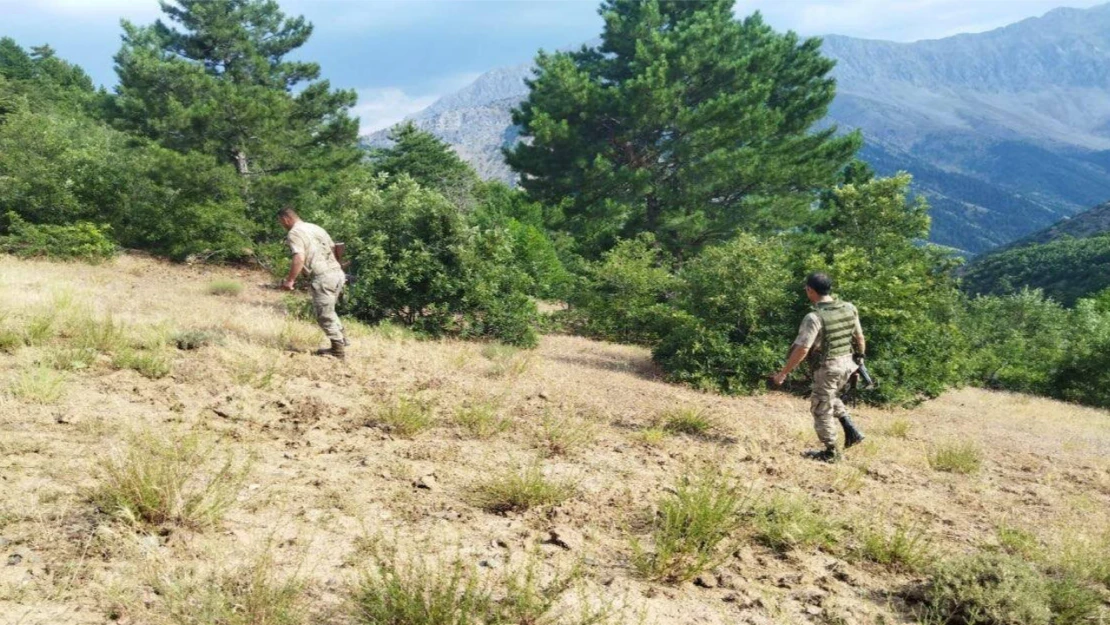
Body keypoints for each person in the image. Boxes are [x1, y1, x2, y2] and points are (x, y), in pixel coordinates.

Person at [770, 273, 867, 463]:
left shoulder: (813, 317)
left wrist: (783, 373)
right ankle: (851, 431)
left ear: (810, 290)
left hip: (829, 367)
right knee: (831, 396)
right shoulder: (849, 308)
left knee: (820, 408)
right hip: (848, 363)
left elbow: (803, 348)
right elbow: (860, 338)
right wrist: (860, 360)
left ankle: (831, 452)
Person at [277, 206, 348, 359]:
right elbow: (336, 248)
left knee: (324, 315)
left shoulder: (294, 233)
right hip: (337, 273)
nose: (282, 226)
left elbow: (299, 257)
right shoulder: (316, 227)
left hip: (323, 277)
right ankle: (342, 340)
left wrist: (290, 280)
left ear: (286, 219)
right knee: (329, 310)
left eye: (281, 223)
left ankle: (338, 351)